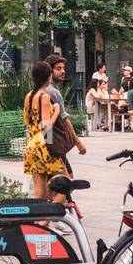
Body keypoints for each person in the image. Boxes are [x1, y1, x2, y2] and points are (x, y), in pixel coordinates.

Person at [22, 61, 66, 200]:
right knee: (67, 182)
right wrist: (56, 111)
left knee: (39, 193)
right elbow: (46, 127)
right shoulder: (44, 97)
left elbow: (28, 121)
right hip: (44, 144)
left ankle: (37, 220)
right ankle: (48, 218)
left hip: (31, 145)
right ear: (49, 76)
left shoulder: (29, 96)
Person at [43, 54, 87, 169]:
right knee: (63, 181)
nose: (63, 71)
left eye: (63, 68)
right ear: (49, 71)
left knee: (56, 180)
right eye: (58, 68)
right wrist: (78, 142)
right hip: (53, 143)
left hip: (46, 141)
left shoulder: (39, 90)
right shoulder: (52, 92)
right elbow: (64, 118)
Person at [120, 65, 133, 130]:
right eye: (124, 70)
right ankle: (125, 124)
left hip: (131, 95)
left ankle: (132, 125)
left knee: (131, 106)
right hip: (125, 95)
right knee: (121, 104)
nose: (124, 71)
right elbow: (121, 88)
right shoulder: (123, 78)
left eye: (125, 70)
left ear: (129, 71)